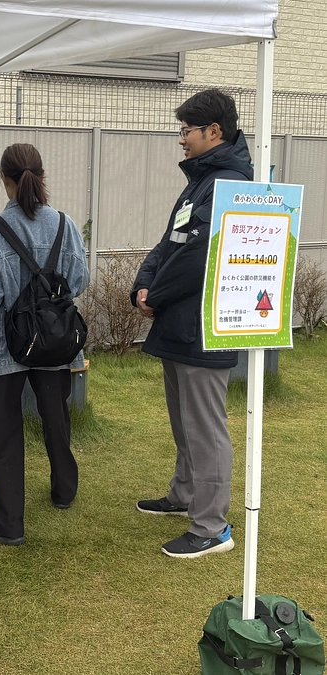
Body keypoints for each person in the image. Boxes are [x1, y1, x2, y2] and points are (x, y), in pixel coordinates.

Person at [131, 88, 253, 559]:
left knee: (205, 427)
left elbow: (200, 256)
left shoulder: (229, 184)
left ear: (214, 132)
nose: (181, 139)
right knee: (184, 422)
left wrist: (154, 296)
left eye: (186, 131)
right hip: (177, 323)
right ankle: (184, 495)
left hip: (204, 326)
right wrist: (142, 285)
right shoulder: (200, 182)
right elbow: (169, 242)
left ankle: (212, 526)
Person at [0, 143, 89, 546]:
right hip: (55, 340)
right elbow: (79, 281)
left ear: (4, 179)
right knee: (56, 417)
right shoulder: (65, 225)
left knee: (4, 431)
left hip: (7, 346)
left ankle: (8, 522)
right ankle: (64, 490)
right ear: (42, 176)